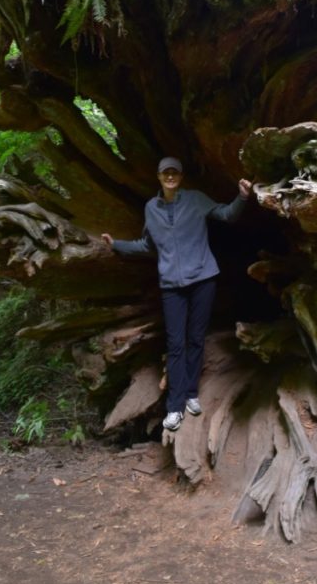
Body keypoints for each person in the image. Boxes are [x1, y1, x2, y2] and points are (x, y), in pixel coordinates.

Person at [101, 158, 252, 431]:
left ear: (180, 177)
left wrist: (242, 197)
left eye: (174, 173)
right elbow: (148, 244)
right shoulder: (152, 208)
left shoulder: (195, 200)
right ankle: (175, 406)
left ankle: (191, 394)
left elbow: (227, 215)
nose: (170, 177)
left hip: (203, 278)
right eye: (165, 173)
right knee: (175, 343)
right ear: (159, 177)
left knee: (195, 338)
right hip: (172, 284)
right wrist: (117, 246)